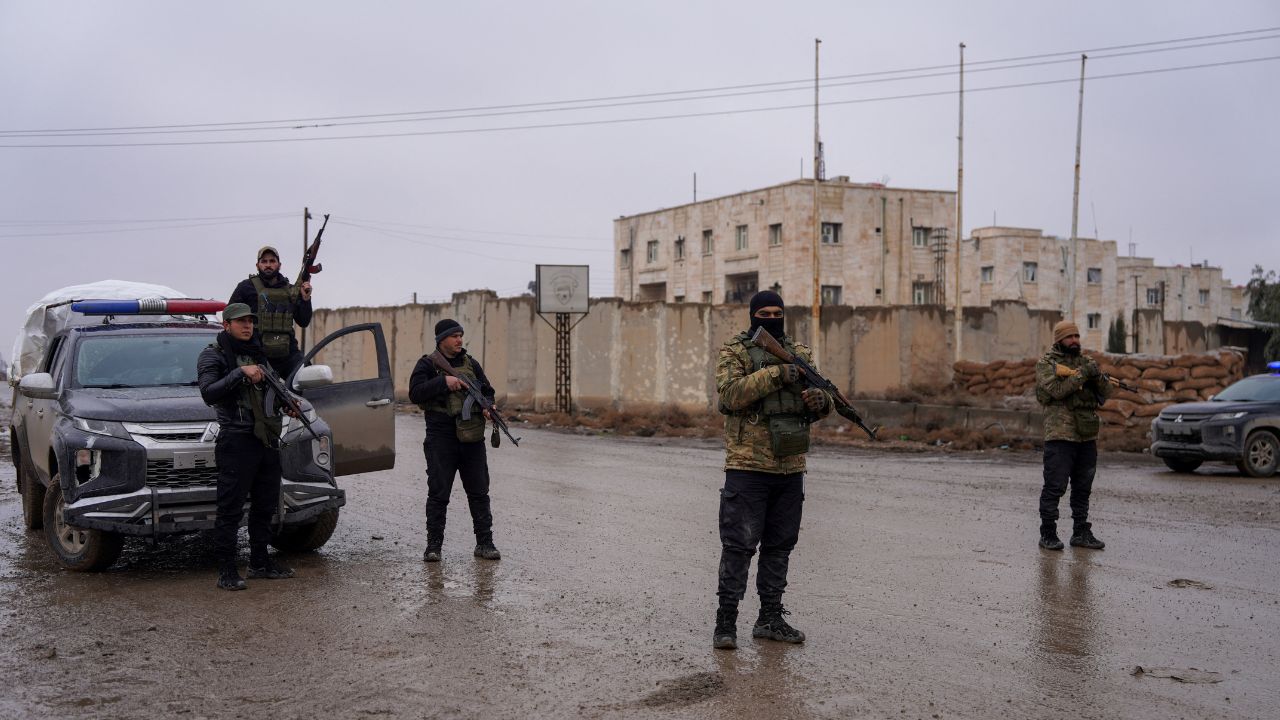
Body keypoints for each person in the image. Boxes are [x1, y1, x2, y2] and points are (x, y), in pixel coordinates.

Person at [711, 291, 832, 650]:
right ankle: (726, 623)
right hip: (748, 466)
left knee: (780, 546)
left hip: (790, 466)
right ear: (752, 316)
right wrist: (778, 374)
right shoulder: (735, 351)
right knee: (738, 546)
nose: (771, 318)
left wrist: (819, 401)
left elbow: (822, 400)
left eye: (777, 312)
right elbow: (730, 396)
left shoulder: (801, 354)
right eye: (764, 313)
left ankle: (771, 618)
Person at [197, 303, 296, 591]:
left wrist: (287, 404)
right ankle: (226, 571)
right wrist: (240, 372)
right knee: (230, 509)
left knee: (265, 505)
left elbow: (272, 390)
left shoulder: (258, 354)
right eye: (240, 322)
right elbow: (208, 393)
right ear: (226, 325)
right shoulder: (212, 355)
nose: (247, 326)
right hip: (236, 440)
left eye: (250, 321)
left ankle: (260, 563)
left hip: (265, 438)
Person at [408, 319, 501, 563]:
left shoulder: (471, 364)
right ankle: (433, 547)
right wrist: (443, 382)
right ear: (442, 340)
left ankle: (485, 543)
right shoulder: (428, 364)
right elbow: (415, 393)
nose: (460, 340)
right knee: (439, 493)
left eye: (461, 335)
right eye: (454, 336)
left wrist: (488, 406)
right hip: (441, 436)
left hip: (471, 436)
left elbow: (487, 390)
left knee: (479, 492)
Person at [1034, 320, 1110, 552]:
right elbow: (1057, 391)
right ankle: (1048, 533)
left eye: (1077, 336)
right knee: (1055, 486)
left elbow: (1106, 392)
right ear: (1059, 340)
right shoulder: (1047, 364)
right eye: (1069, 337)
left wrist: (1096, 376)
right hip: (1060, 435)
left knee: (1083, 486)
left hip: (1086, 435)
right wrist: (1081, 376)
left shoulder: (1086, 362)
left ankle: (1081, 532)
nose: (1075, 341)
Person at [228, 245, 313, 379]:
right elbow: (230, 317)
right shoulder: (245, 287)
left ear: (279, 265)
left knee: (310, 379)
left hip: (288, 354)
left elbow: (303, 321)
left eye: (272, 261)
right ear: (257, 265)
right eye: (264, 261)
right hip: (256, 354)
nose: (268, 265)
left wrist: (306, 299)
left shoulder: (291, 290)